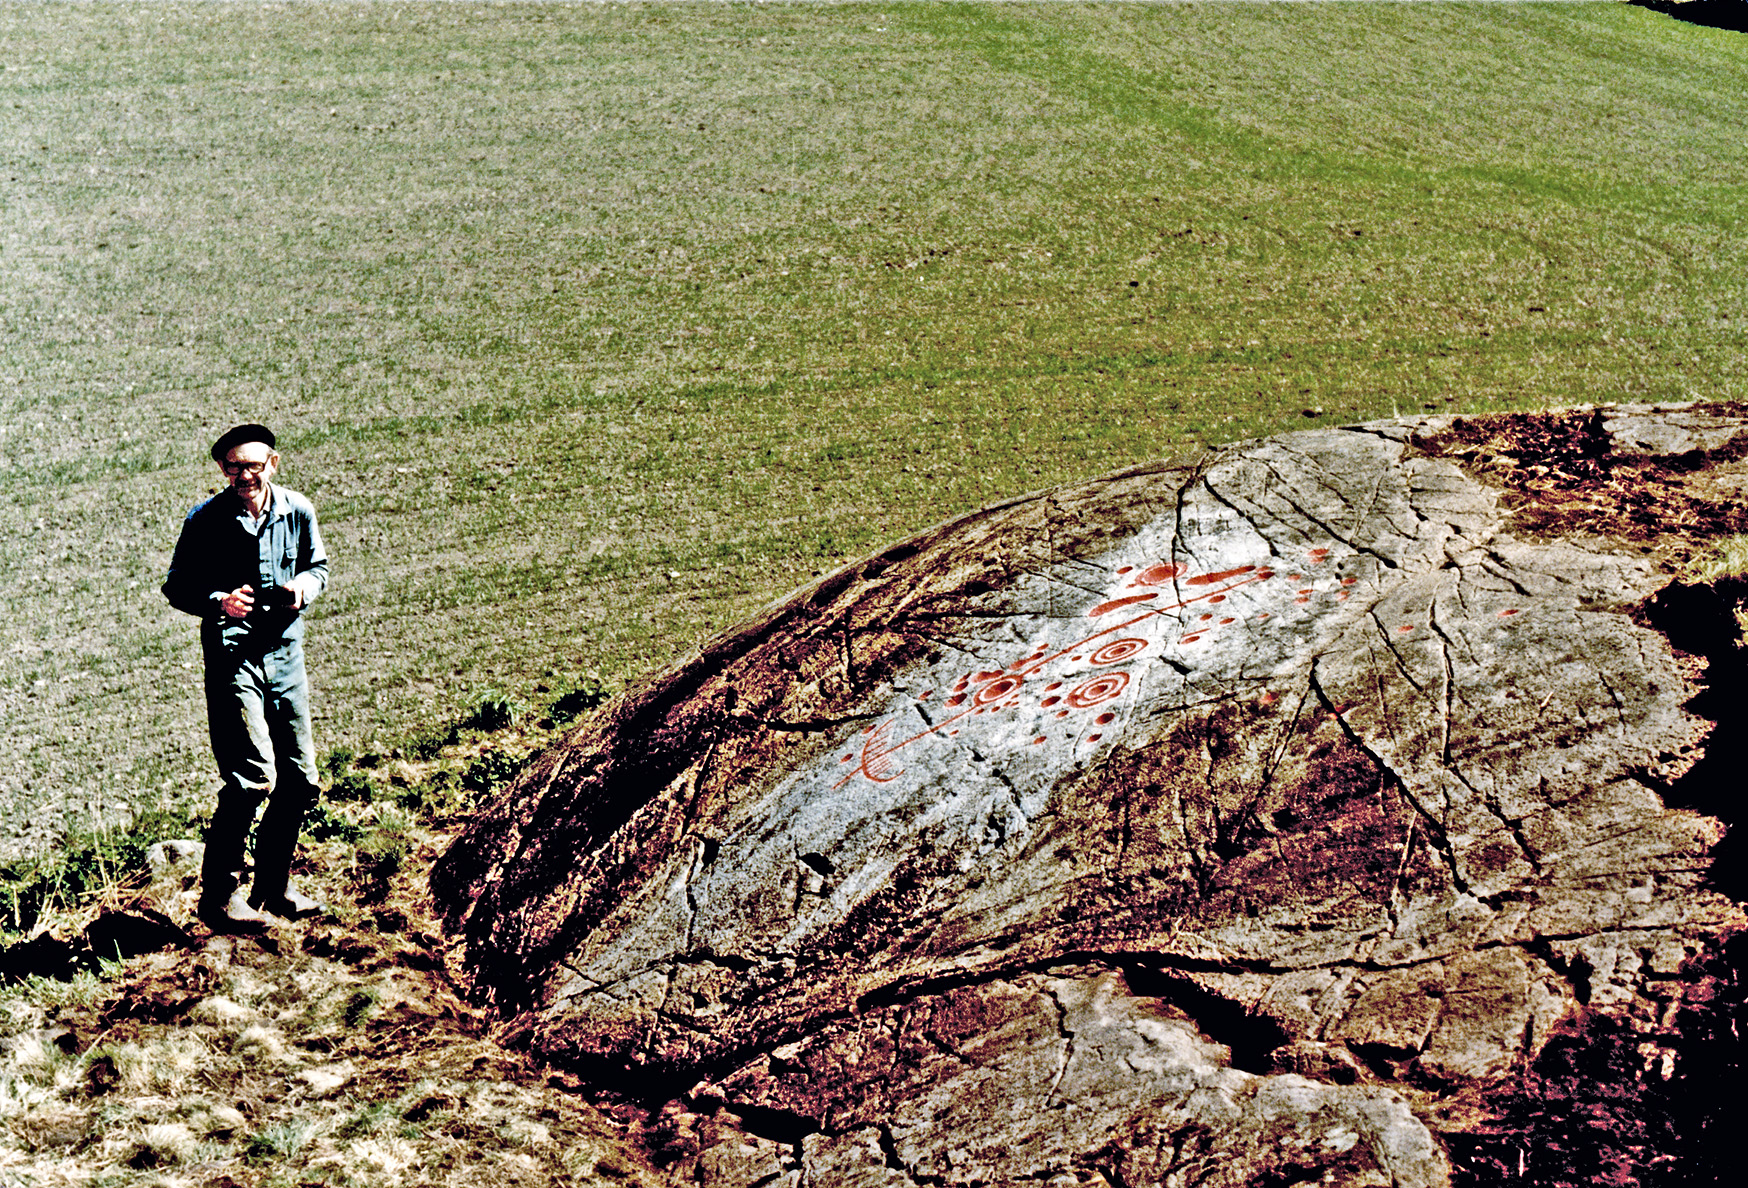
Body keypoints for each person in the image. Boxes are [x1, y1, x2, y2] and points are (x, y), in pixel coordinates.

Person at [163, 424, 330, 932]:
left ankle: (273, 889)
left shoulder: (297, 510)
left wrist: (301, 588)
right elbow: (177, 587)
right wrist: (220, 602)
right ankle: (220, 899)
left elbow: (318, 567)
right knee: (253, 775)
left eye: (253, 465)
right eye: (234, 466)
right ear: (222, 470)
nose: (244, 475)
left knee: (300, 780)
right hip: (234, 660)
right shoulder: (205, 521)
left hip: (285, 656)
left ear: (272, 464)